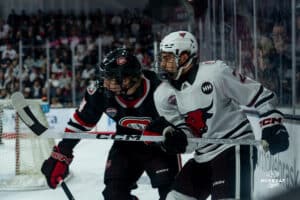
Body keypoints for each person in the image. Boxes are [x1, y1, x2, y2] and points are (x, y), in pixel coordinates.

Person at [145, 31, 289, 200]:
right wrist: (173, 138)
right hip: (203, 155)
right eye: (162, 58)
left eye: (167, 58)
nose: (162, 63)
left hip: (234, 146)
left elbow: (261, 96)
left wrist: (272, 125)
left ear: (184, 57)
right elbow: (189, 138)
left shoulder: (215, 73)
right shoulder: (162, 95)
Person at [40, 48, 181, 200]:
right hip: (125, 146)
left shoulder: (160, 88)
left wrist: (170, 131)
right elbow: (81, 123)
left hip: (158, 147)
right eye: (107, 77)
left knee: (172, 195)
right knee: (114, 195)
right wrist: (63, 151)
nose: (107, 83)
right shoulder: (100, 93)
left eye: (115, 78)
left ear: (133, 78)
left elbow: (183, 123)